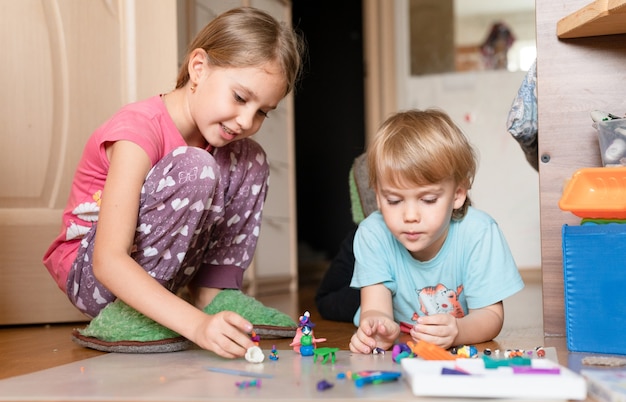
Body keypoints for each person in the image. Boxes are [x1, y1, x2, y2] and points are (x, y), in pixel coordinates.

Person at [42, 7, 304, 359]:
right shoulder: (138, 131)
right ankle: (131, 312)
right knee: (195, 166)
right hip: (96, 276)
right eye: (240, 98)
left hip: (167, 273)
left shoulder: (226, 142)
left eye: (261, 112)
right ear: (199, 68)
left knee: (251, 157)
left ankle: (213, 293)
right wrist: (196, 326)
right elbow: (107, 260)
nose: (246, 120)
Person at [348, 109, 524, 354]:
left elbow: (490, 315)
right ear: (378, 196)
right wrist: (378, 327)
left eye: (428, 200)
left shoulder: (480, 233)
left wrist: (458, 331)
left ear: (458, 195)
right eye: (394, 200)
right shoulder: (373, 233)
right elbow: (375, 308)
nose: (410, 216)